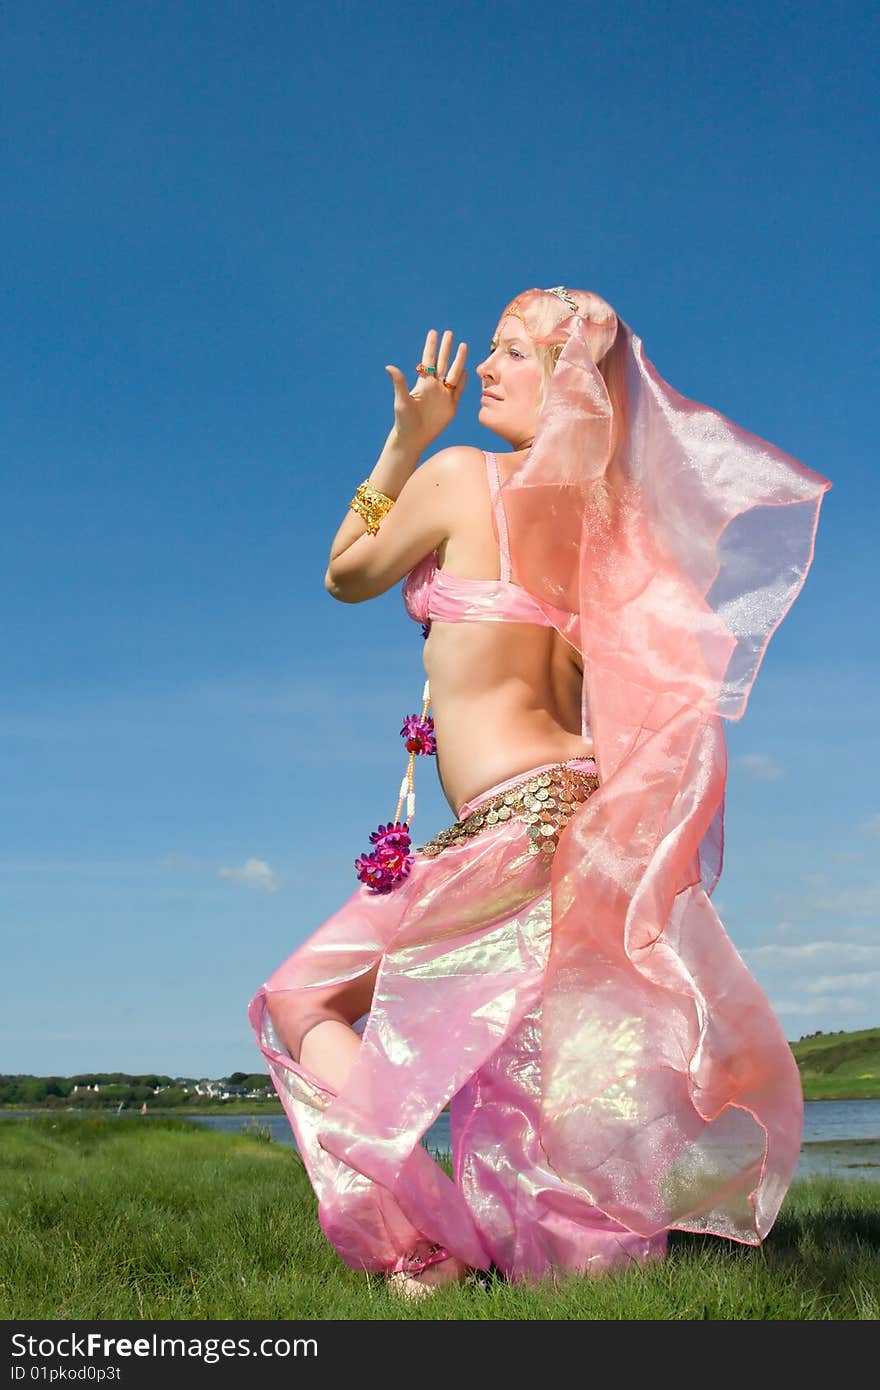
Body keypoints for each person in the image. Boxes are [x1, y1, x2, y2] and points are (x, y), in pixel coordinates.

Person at [248, 287, 831, 1300]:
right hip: (582, 819)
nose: (485, 368)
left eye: (512, 353)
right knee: (526, 1077)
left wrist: (402, 442)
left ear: (567, 387)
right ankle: (547, 1265)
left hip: (514, 819)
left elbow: (346, 572)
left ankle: (426, 1243)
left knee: (304, 996)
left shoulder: (459, 473)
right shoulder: (608, 524)